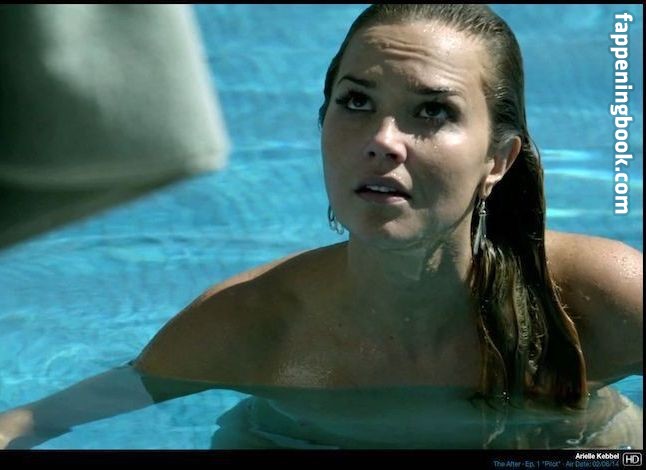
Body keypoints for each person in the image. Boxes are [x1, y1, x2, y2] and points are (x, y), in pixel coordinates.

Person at [0, 4, 642, 450]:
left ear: (497, 160)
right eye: (356, 101)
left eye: (432, 111)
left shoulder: (598, 298)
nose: (383, 140)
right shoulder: (255, 326)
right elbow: (33, 420)